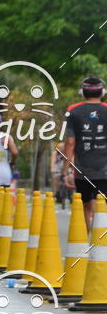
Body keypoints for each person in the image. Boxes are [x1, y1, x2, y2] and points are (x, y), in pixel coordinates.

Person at [62, 75, 107, 231]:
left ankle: (88, 240)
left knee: (86, 205)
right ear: (102, 92)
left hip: (82, 170)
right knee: (101, 205)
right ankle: (100, 241)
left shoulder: (73, 111)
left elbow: (70, 142)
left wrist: (65, 171)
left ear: (83, 92)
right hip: (104, 170)